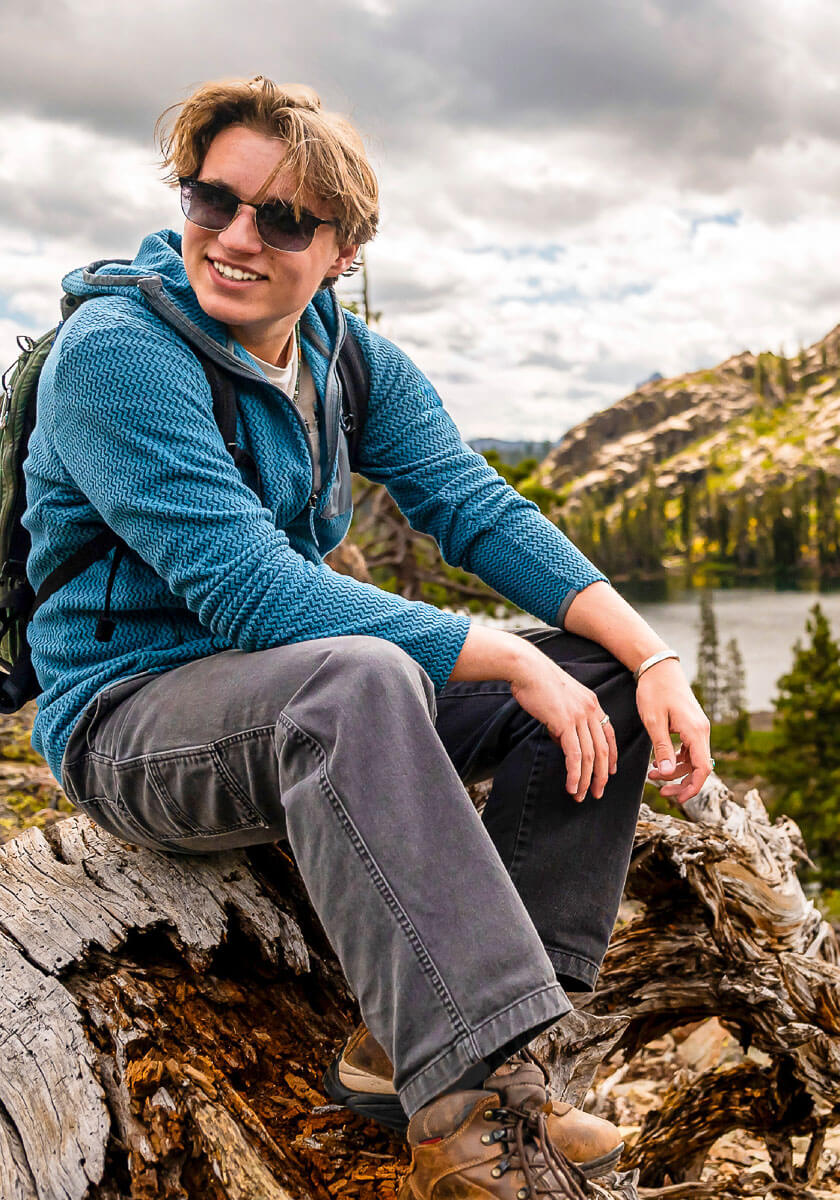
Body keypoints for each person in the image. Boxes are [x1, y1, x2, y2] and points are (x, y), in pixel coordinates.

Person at [24, 77, 711, 1197]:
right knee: (361, 678)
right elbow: (252, 593)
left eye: (284, 219)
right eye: (213, 200)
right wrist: (505, 655)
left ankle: (457, 1048)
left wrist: (653, 658)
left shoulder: (346, 360)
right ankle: (462, 1128)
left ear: (344, 249)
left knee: (599, 679)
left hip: (288, 691)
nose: (236, 238)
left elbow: (477, 509)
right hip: (130, 720)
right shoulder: (118, 354)